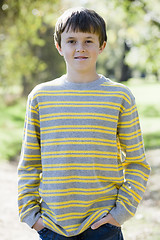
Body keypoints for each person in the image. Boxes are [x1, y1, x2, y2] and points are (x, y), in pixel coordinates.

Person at [18, 7, 150, 240]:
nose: (80, 47)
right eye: (71, 40)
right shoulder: (40, 96)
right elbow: (29, 162)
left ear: (102, 46)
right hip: (53, 226)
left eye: (88, 40)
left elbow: (137, 163)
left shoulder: (120, 96)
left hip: (103, 225)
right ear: (59, 46)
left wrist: (121, 213)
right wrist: (31, 216)